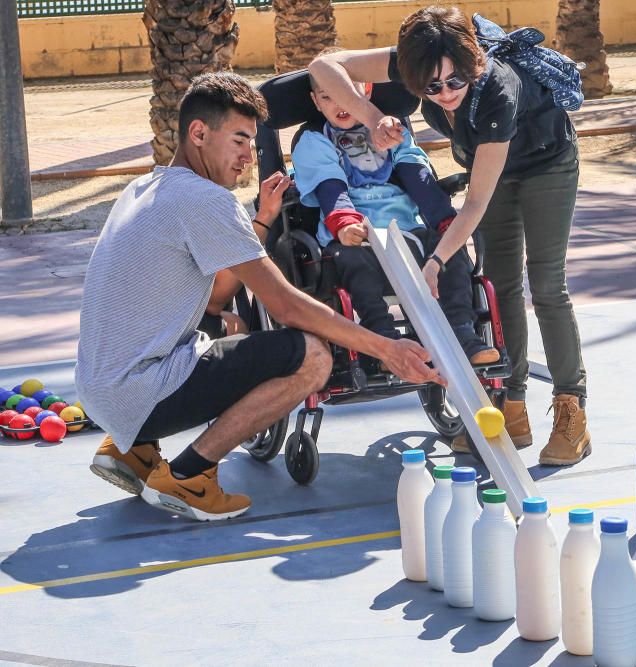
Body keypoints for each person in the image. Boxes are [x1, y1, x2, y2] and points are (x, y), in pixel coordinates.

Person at [77, 72, 442, 522]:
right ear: (198, 133)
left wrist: (265, 220)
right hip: (138, 394)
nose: (248, 156)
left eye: (252, 143)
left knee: (225, 322)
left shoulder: (144, 187)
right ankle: (189, 476)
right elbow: (285, 304)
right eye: (239, 140)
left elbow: (215, 298)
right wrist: (385, 347)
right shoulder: (204, 199)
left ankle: (132, 450)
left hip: (101, 392)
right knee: (312, 357)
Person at [309, 6, 590, 465]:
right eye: (429, 87)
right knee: (501, 284)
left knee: (544, 284)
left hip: (545, 164)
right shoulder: (419, 60)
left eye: (454, 83)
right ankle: (510, 405)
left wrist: (436, 261)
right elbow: (323, 67)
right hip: (488, 165)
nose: (442, 94)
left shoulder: (497, 88)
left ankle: (570, 408)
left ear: (474, 63)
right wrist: (371, 114)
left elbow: (475, 203)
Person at [291, 71, 498, 365]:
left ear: (367, 89)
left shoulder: (391, 130)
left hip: (407, 230)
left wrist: (444, 220)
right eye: (327, 96)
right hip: (357, 235)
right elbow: (329, 185)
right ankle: (381, 337)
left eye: (348, 93)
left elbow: (418, 176)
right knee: (351, 259)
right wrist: (344, 223)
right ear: (315, 101)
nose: (340, 104)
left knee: (449, 248)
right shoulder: (314, 140)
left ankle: (462, 333)